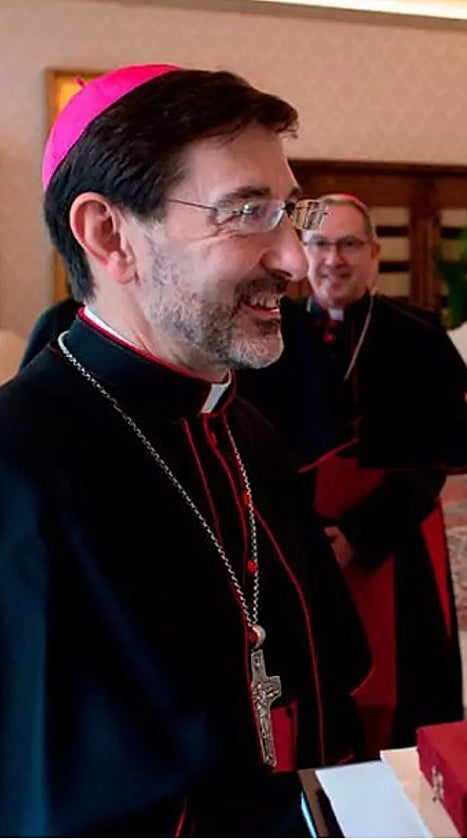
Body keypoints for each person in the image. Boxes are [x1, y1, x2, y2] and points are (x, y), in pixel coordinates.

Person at [0, 64, 371, 835]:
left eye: (287, 211)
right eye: (246, 214)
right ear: (110, 235)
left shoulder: (247, 433)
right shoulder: (17, 466)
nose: (296, 262)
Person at [238, 194, 467, 752]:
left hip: (395, 541)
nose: (334, 259)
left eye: (349, 244)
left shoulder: (416, 333)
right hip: (302, 544)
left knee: (410, 688)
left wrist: (358, 536)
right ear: (301, 253)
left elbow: (430, 467)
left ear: (374, 254)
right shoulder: (266, 332)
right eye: (320, 244)